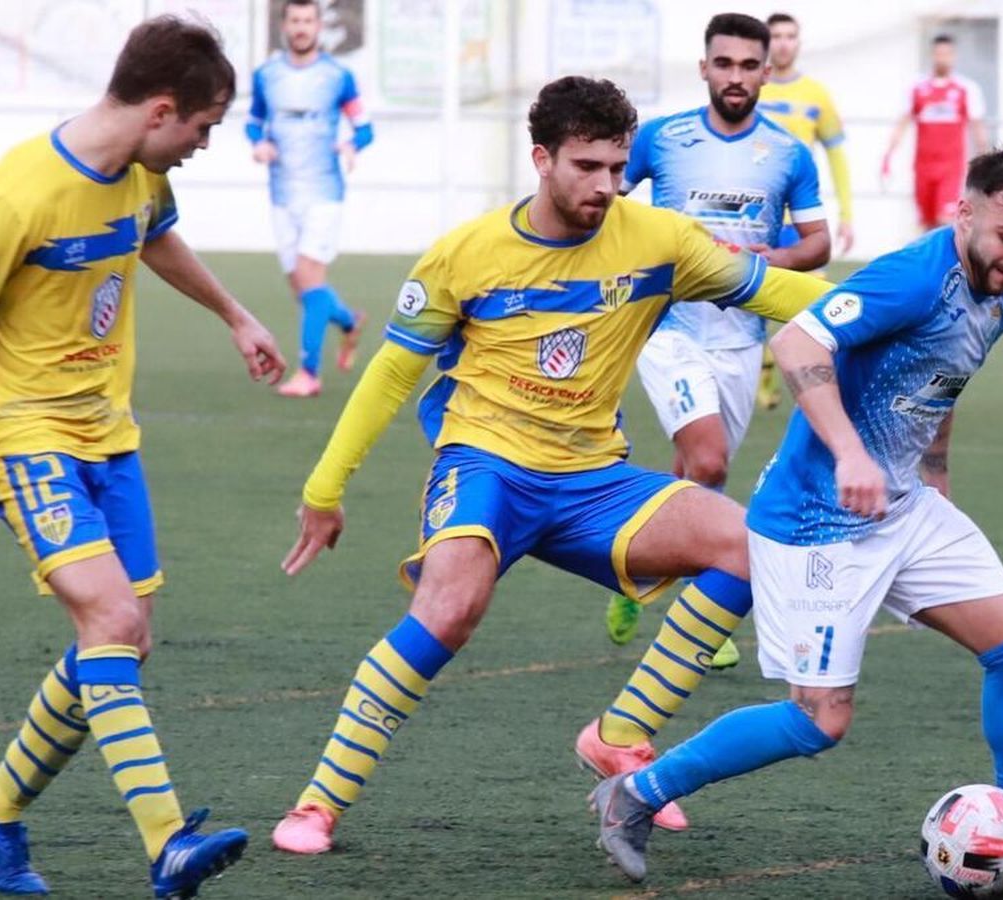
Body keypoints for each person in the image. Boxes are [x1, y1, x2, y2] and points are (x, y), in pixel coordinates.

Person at [268, 75, 832, 855]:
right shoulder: (465, 254)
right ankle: (317, 805)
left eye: (615, 166)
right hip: (487, 464)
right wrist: (324, 489)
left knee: (744, 543)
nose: (606, 185)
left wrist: (891, 305)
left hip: (594, 478)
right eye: (586, 167)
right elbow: (391, 376)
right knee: (450, 608)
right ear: (541, 158)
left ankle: (618, 737)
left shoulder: (659, 240)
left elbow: (779, 290)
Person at [589, 149, 1003, 890]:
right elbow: (797, 340)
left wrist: (935, 481)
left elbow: (939, 386)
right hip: (816, 521)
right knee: (818, 722)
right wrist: (848, 453)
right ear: (964, 212)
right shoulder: (912, 277)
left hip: (903, 507)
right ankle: (635, 794)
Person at [0, 16, 285, 897]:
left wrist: (235, 315)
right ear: (163, 111)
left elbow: (153, 236)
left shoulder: (136, 176)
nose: (204, 144)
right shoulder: (20, 197)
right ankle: (167, 844)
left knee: (121, 636)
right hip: (14, 432)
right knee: (112, 625)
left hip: (107, 436)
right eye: (202, 128)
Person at [600, 13, 828, 669]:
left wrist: (768, 258)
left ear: (767, 70)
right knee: (706, 463)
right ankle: (701, 605)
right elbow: (605, 202)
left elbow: (818, 244)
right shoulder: (661, 139)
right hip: (668, 331)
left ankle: (638, 574)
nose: (735, 76)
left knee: (700, 471)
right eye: (722, 64)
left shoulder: (788, 154)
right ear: (704, 68)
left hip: (738, 340)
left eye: (747, 65)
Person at [248, 0, 374, 398]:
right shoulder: (266, 75)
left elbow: (365, 128)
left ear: (319, 26)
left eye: (308, 21)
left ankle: (309, 374)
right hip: (282, 194)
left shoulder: (338, 76)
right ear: (284, 26)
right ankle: (350, 321)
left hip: (324, 193)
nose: (301, 27)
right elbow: (253, 123)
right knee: (303, 290)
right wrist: (260, 143)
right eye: (295, 21)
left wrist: (352, 145)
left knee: (309, 276)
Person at [755, 10, 857, 411]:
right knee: (751, 302)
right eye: (775, 36)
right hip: (757, 217)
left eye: (789, 36)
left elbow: (836, 155)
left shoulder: (816, 95)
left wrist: (846, 213)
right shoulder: (751, 90)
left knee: (815, 307)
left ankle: (820, 387)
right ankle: (763, 379)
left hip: (800, 221)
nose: (782, 43)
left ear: (798, 42)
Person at [882, 34, 990, 232]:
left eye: (947, 54)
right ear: (932, 55)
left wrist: (986, 161)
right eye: (939, 53)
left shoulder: (966, 89)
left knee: (945, 219)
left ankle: (950, 262)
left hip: (951, 166)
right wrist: (888, 155)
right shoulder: (917, 88)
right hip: (923, 166)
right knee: (926, 224)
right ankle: (933, 263)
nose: (943, 58)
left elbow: (977, 127)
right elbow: (902, 122)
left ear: (954, 56)